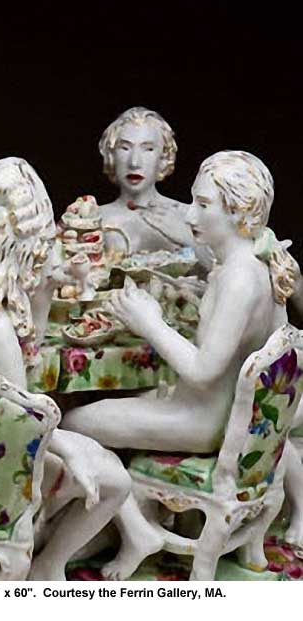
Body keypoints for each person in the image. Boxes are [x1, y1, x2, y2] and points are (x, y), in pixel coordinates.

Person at [63, 150, 297, 576]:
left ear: (239, 212)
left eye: (203, 204)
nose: (191, 214)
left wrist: (149, 322)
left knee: (72, 423)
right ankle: (117, 524)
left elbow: (204, 372)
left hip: (203, 420)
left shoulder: (239, 279)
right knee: (119, 401)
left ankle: (133, 529)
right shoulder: (250, 265)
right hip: (223, 416)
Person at [0, 157, 130, 581]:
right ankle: (49, 564)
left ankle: (48, 547)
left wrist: (44, 290)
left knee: (98, 457)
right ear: (18, 249)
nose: (45, 255)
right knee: (117, 483)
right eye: (39, 247)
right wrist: (69, 450)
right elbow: (26, 414)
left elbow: (29, 358)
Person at [96, 107, 197, 256]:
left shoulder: (189, 217)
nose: (134, 163)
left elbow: (223, 265)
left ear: (163, 157)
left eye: (148, 149)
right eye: (125, 148)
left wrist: (188, 239)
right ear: (111, 155)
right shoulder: (90, 221)